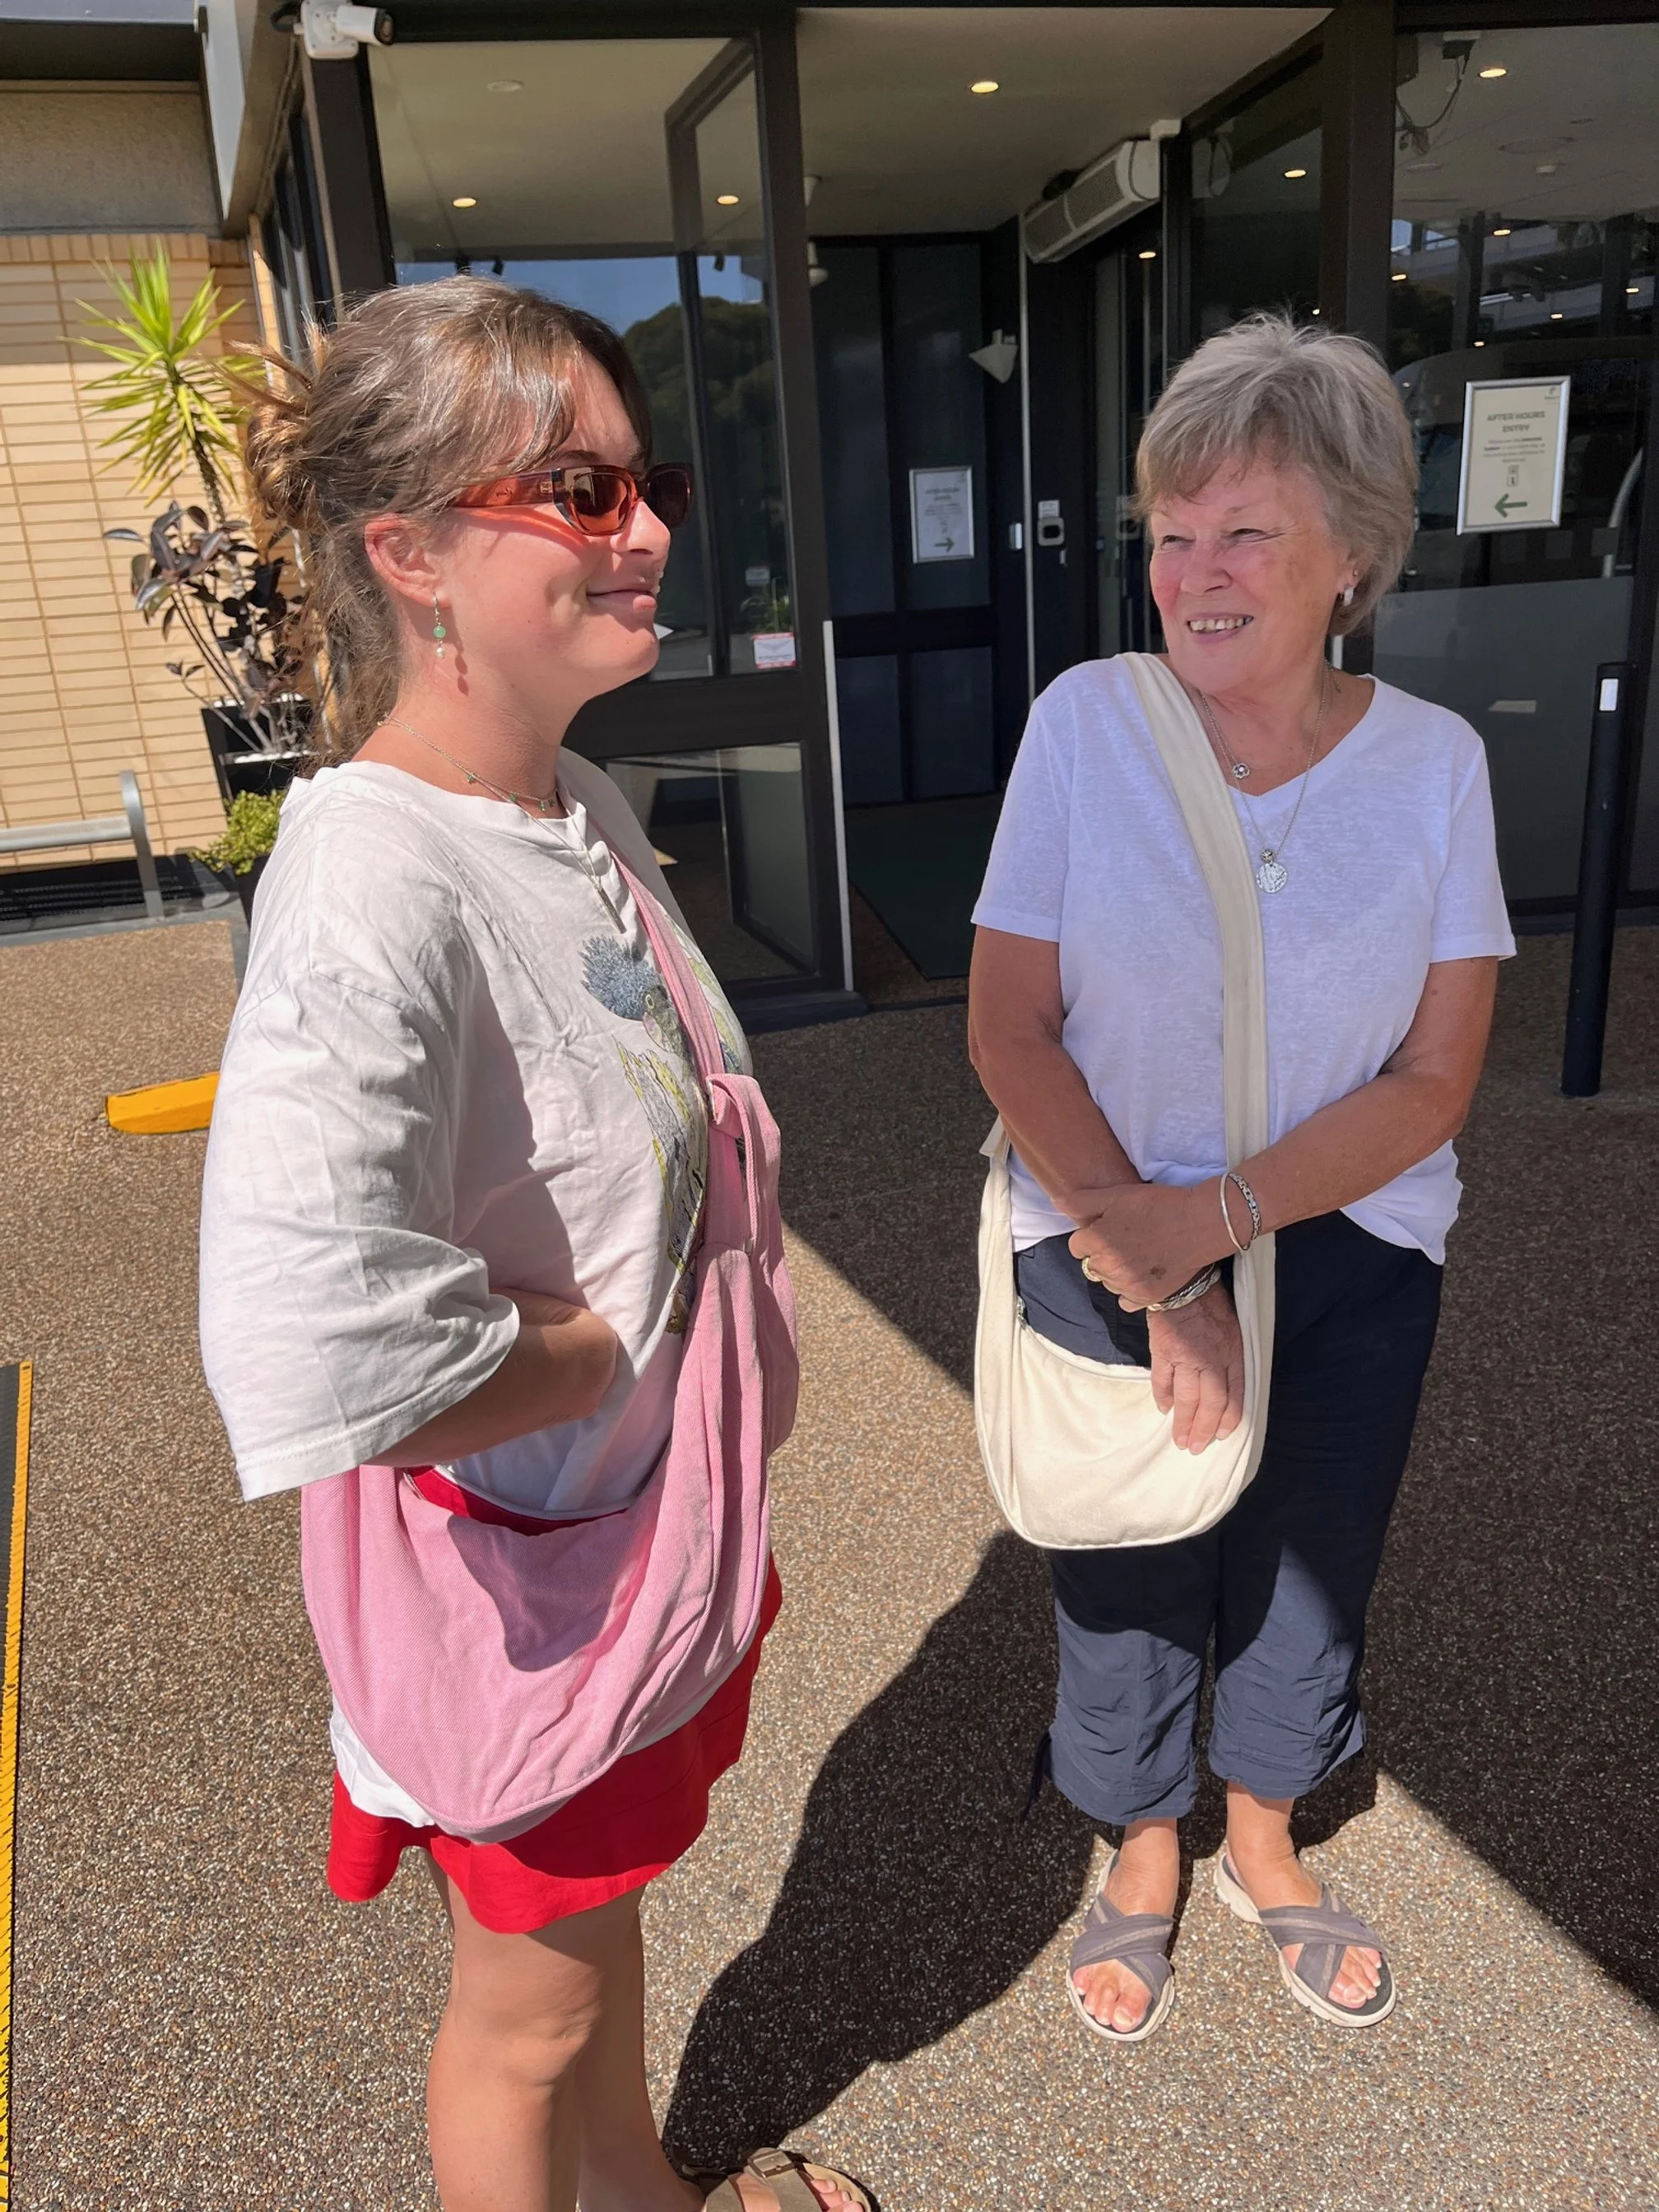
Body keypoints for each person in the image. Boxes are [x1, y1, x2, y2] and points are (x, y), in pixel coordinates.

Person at [198, 279, 871, 2212]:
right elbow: (313, 1334)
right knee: (526, 2024)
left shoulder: (565, 802)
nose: (649, 524)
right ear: (408, 552)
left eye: (639, 475)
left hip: (626, 1560)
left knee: (598, 1958)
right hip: (533, 1600)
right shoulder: (374, 866)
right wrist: (593, 1359)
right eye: (578, 490)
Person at [969, 311, 1514, 2042]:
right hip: (1104, 1215)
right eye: (1170, 534)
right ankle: (1144, 1843)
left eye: (1245, 533)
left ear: (1351, 552)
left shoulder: (1435, 767)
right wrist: (1171, 1275)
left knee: (1308, 1549)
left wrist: (1224, 1229)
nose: (1193, 574)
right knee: (1128, 1542)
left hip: (1348, 1244)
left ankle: (1264, 1834)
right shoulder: (1084, 728)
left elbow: (1437, 1078)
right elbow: (1009, 1027)